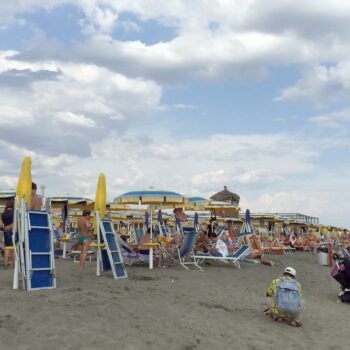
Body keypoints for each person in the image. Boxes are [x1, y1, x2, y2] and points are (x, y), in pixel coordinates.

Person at [1, 199, 15, 267]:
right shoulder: (15, 213)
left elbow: (0, 226)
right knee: (14, 249)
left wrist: (5, 228)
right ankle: (14, 264)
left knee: (7, 248)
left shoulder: (3, 214)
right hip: (14, 232)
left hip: (6, 233)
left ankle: (6, 264)